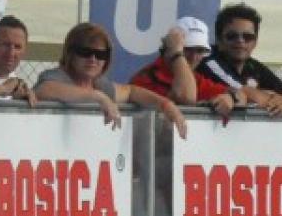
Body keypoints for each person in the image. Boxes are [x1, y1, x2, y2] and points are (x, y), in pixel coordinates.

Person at [35, 22, 187, 136]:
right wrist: (98, 97)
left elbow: (131, 91)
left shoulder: (99, 83)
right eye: (85, 52)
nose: (93, 60)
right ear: (70, 54)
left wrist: (166, 105)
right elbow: (44, 90)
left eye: (100, 55)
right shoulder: (57, 76)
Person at [198, 3, 282, 116]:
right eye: (232, 36)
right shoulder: (208, 59)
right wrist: (272, 96)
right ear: (219, 40)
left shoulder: (252, 65)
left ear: (255, 42)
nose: (240, 41)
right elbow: (246, 94)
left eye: (248, 37)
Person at [128, 16, 215, 107]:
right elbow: (185, 97)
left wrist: (226, 98)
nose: (193, 57)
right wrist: (177, 55)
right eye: (187, 49)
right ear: (169, 49)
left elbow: (223, 91)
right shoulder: (146, 78)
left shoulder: (197, 79)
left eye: (200, 51)